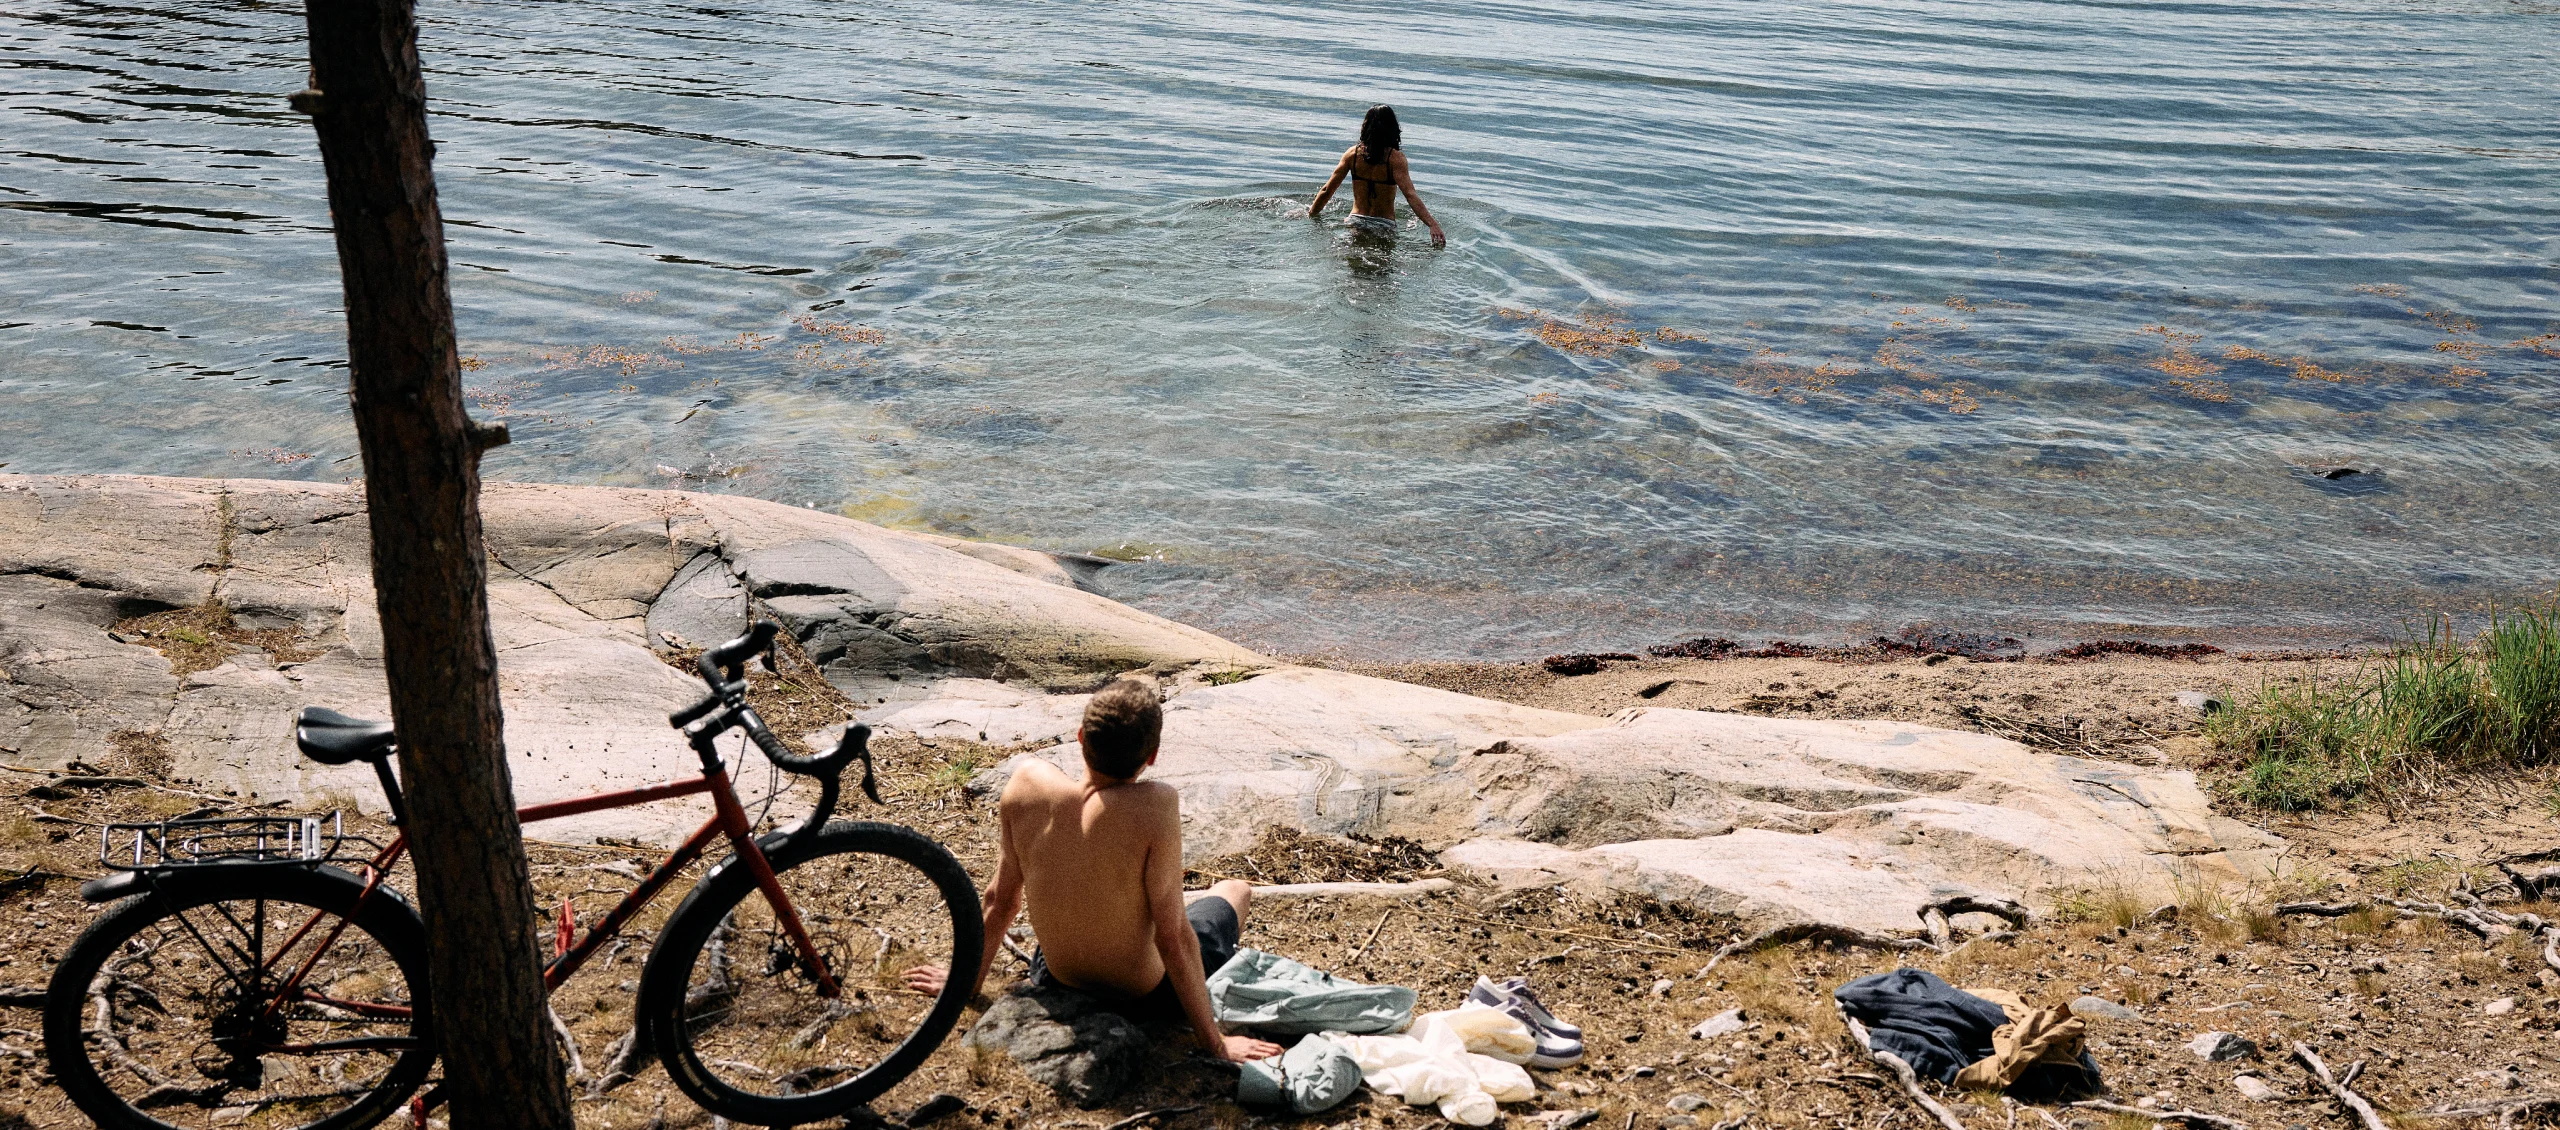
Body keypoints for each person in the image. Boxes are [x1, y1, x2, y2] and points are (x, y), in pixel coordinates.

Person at [901, 675, 1286, 1064]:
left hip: (1055, 976)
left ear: (1081, 736)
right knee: (1235, 891)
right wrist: (1216, 1044)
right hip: (1145, 995)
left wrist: (964, 982)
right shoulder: (1155, 806)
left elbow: (999, 900)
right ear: (1151, 756)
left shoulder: (1026, 783)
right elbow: (1172, 938)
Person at [1308, 104, 1446, 248]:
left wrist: (1311, 214)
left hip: (1355, 221)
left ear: (1365, 127)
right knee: (1381, 267)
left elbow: (1327, 190)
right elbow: (1410, 195)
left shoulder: (1352, 155)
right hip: (1384, 226)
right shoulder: (1395, 159)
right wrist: (1432, 224)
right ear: (1392, 128)